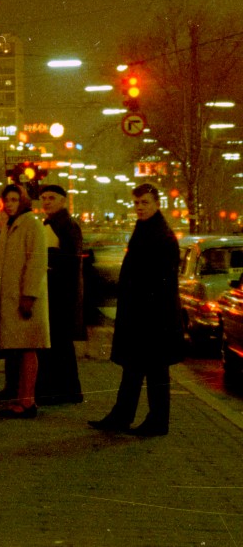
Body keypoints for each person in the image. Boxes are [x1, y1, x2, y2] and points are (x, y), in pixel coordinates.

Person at [88, 183, 183, 437]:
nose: (140, 207)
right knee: (135, 368)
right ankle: (124, 415)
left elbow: (161, 282)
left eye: (145, 203)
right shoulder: (147, 230)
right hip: (143, 315)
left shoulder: (160, 236)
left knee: (153, 371)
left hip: (152, 318)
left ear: (157, 205)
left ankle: (155, 420)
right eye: (137, 203)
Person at [0, 182, 49, 418]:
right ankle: (21, 399)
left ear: (23, 201)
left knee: (27, 349)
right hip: (12, 299)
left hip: (25, 300)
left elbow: (36, 263)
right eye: (8, 200)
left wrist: (29, 295)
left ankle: (27, 401)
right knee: (20, 350)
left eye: (15, 200)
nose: (10, 204)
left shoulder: (31, 224)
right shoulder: (9, 225)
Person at [36, 184, 84, 404]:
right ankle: (64, 390)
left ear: (63, 201)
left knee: (58, 344)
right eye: (44, 198)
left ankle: (60, 391)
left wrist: (50, 259)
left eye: (51, 198)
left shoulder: (65, 225)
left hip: (60, 294)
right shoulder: (54, 223)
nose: (46, 202)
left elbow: (71, 260)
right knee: (58, 345)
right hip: (56, 292)